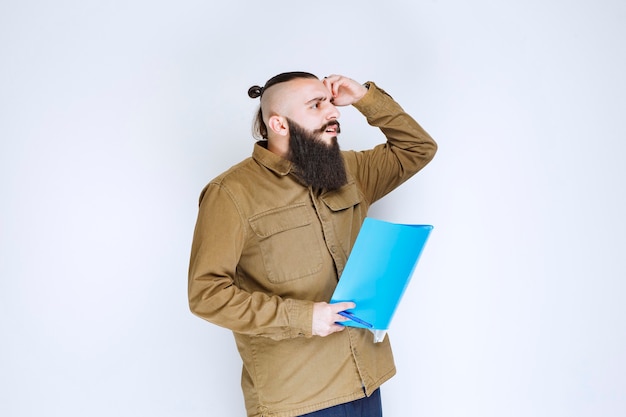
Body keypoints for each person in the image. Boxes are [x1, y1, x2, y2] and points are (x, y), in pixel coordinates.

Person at [188, 72, 437, 417]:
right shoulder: (231, 194)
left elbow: (418, 148)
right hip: (298, 397)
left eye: (331, 103)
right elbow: (206, 294)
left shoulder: (350, 169)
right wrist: (304, 317)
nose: (332, 113)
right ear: (279, 124)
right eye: (316, 105)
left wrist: (366, 98)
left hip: (366, 379)